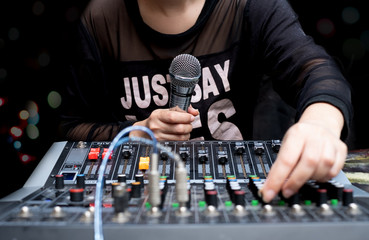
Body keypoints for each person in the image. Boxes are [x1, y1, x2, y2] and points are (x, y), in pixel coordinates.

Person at [60, 0, 353, 203]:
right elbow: (70, 127)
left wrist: (320, 125)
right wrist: (138, 132)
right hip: (142, 186)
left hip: (235, 187)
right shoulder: (100, 18)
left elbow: (314, 70)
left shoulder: (252, 6)